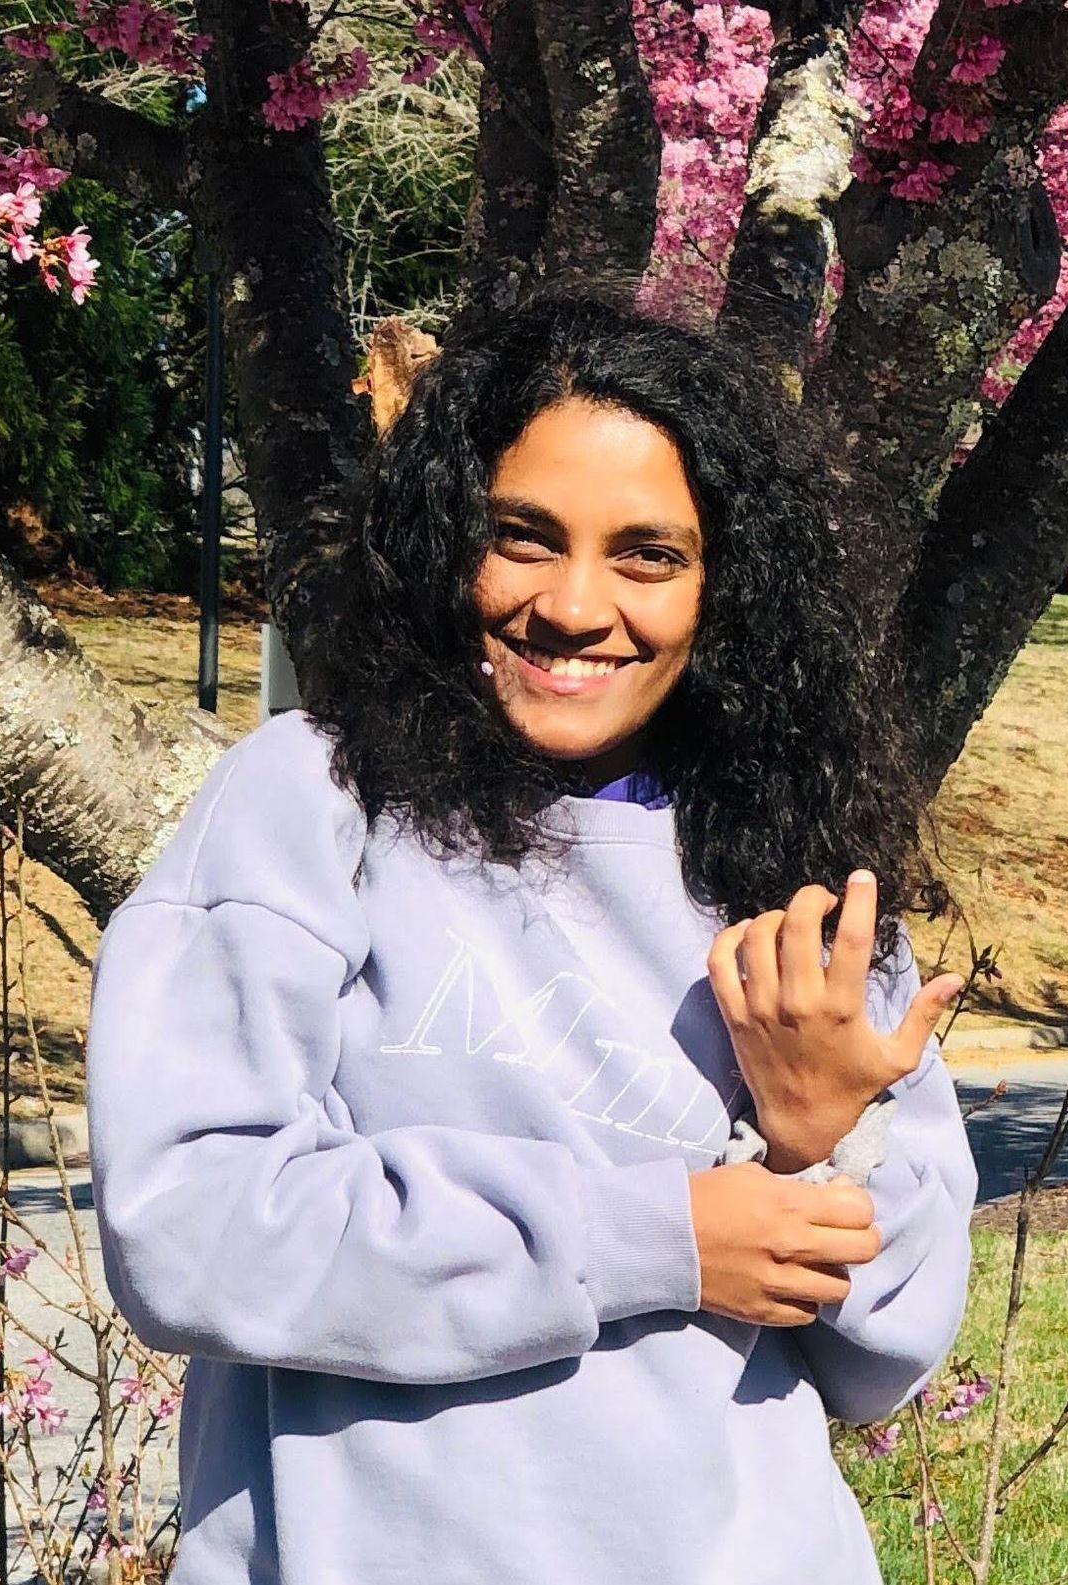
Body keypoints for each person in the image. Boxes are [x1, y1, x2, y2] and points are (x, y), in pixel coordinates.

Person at [86, 289, 979, 1585]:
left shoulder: (787, 863)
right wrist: (658, 1235)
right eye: (524, 537)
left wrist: (820, 1137)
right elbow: (193, 1227)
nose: (573, 605)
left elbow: (887, 1353)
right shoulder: (313, 805)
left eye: (645, 553)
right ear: (451, 537)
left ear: (724, 579)